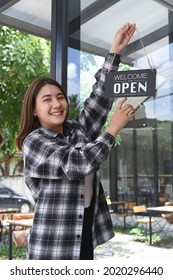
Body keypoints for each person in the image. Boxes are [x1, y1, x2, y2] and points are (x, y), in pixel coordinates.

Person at [16, 22, 136, 260]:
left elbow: (99, 100)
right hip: (53, 246)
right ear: (34, 111)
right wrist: (113, 129)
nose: (57, 104)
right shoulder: (35, 142)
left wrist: (114, 53)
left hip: (84, 235)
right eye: (47, 100)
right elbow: (77, 164)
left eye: (60, 97)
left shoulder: (76, 130)